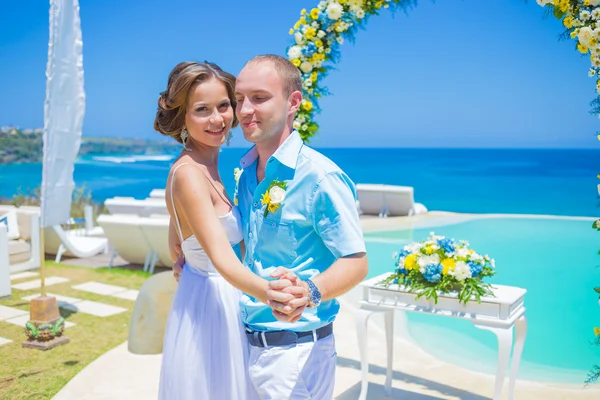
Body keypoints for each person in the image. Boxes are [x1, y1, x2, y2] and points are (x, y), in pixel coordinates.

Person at [154, 61, 305, 400]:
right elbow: (222, 257)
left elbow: (175, 244)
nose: (217, 118)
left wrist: (188, 263)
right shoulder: (190, 173)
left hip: (209, 292)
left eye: (224, 106)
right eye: (201, 110)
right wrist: (275, 295)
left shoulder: (205, 165)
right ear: (182, 117)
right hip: (212, 305)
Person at [234, 54, 369, 399]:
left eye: (259, 98)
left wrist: (309, 291)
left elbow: (356, 261)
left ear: (293, 102)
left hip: (296, 356)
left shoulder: (320, 176)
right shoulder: (248, 175)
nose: (245, 109)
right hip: (246, 344)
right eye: (239, 99)